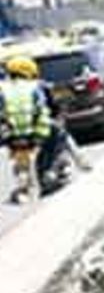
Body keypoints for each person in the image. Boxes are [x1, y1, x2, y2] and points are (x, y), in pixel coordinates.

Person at [0, 56, 53, 201]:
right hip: (34, 132)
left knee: (20, 163)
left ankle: (24, 189)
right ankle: (41, 182)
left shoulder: (2, 88)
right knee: (43, 154)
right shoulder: (34, 87)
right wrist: (41, 134)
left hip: (12, 136)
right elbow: (42, 109)